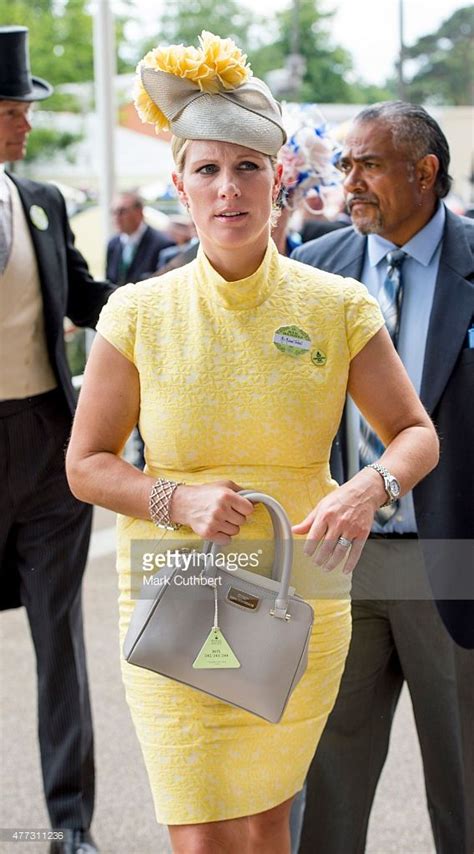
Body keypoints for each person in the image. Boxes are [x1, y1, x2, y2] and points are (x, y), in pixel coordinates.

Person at [65, 34, 438, 853]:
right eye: (206, 170)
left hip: (298, 592)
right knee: (199, 833)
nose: (227, 189)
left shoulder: (337, 306)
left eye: (247, 168)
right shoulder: (135, 313)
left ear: (280, 181)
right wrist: (176, 497)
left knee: (270, 821)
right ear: (178, 185)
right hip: (170, 592)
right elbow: (85, 465)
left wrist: (367, 486)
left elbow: (415, 434)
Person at [292, 101, 474, 854]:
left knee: (466, 787)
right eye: (344, 166)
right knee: (326, 783)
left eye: (367, 164)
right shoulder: (317, 268)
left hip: (455, 556)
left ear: (425, 171)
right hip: (341, 559)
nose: (349, 181)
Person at [0, 25, 113, 854]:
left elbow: (85, 298)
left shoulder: (42, 198)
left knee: (61, 639)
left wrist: (176, 295)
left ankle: (70, 824)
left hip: (47, 442)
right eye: (13, 108)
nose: (25, 123)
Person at [105, 191, 174, 285]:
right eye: (114, 212)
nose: (116, 217)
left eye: (122, 211)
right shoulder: (113, 244)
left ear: (139, 213)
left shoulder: (163, 244)